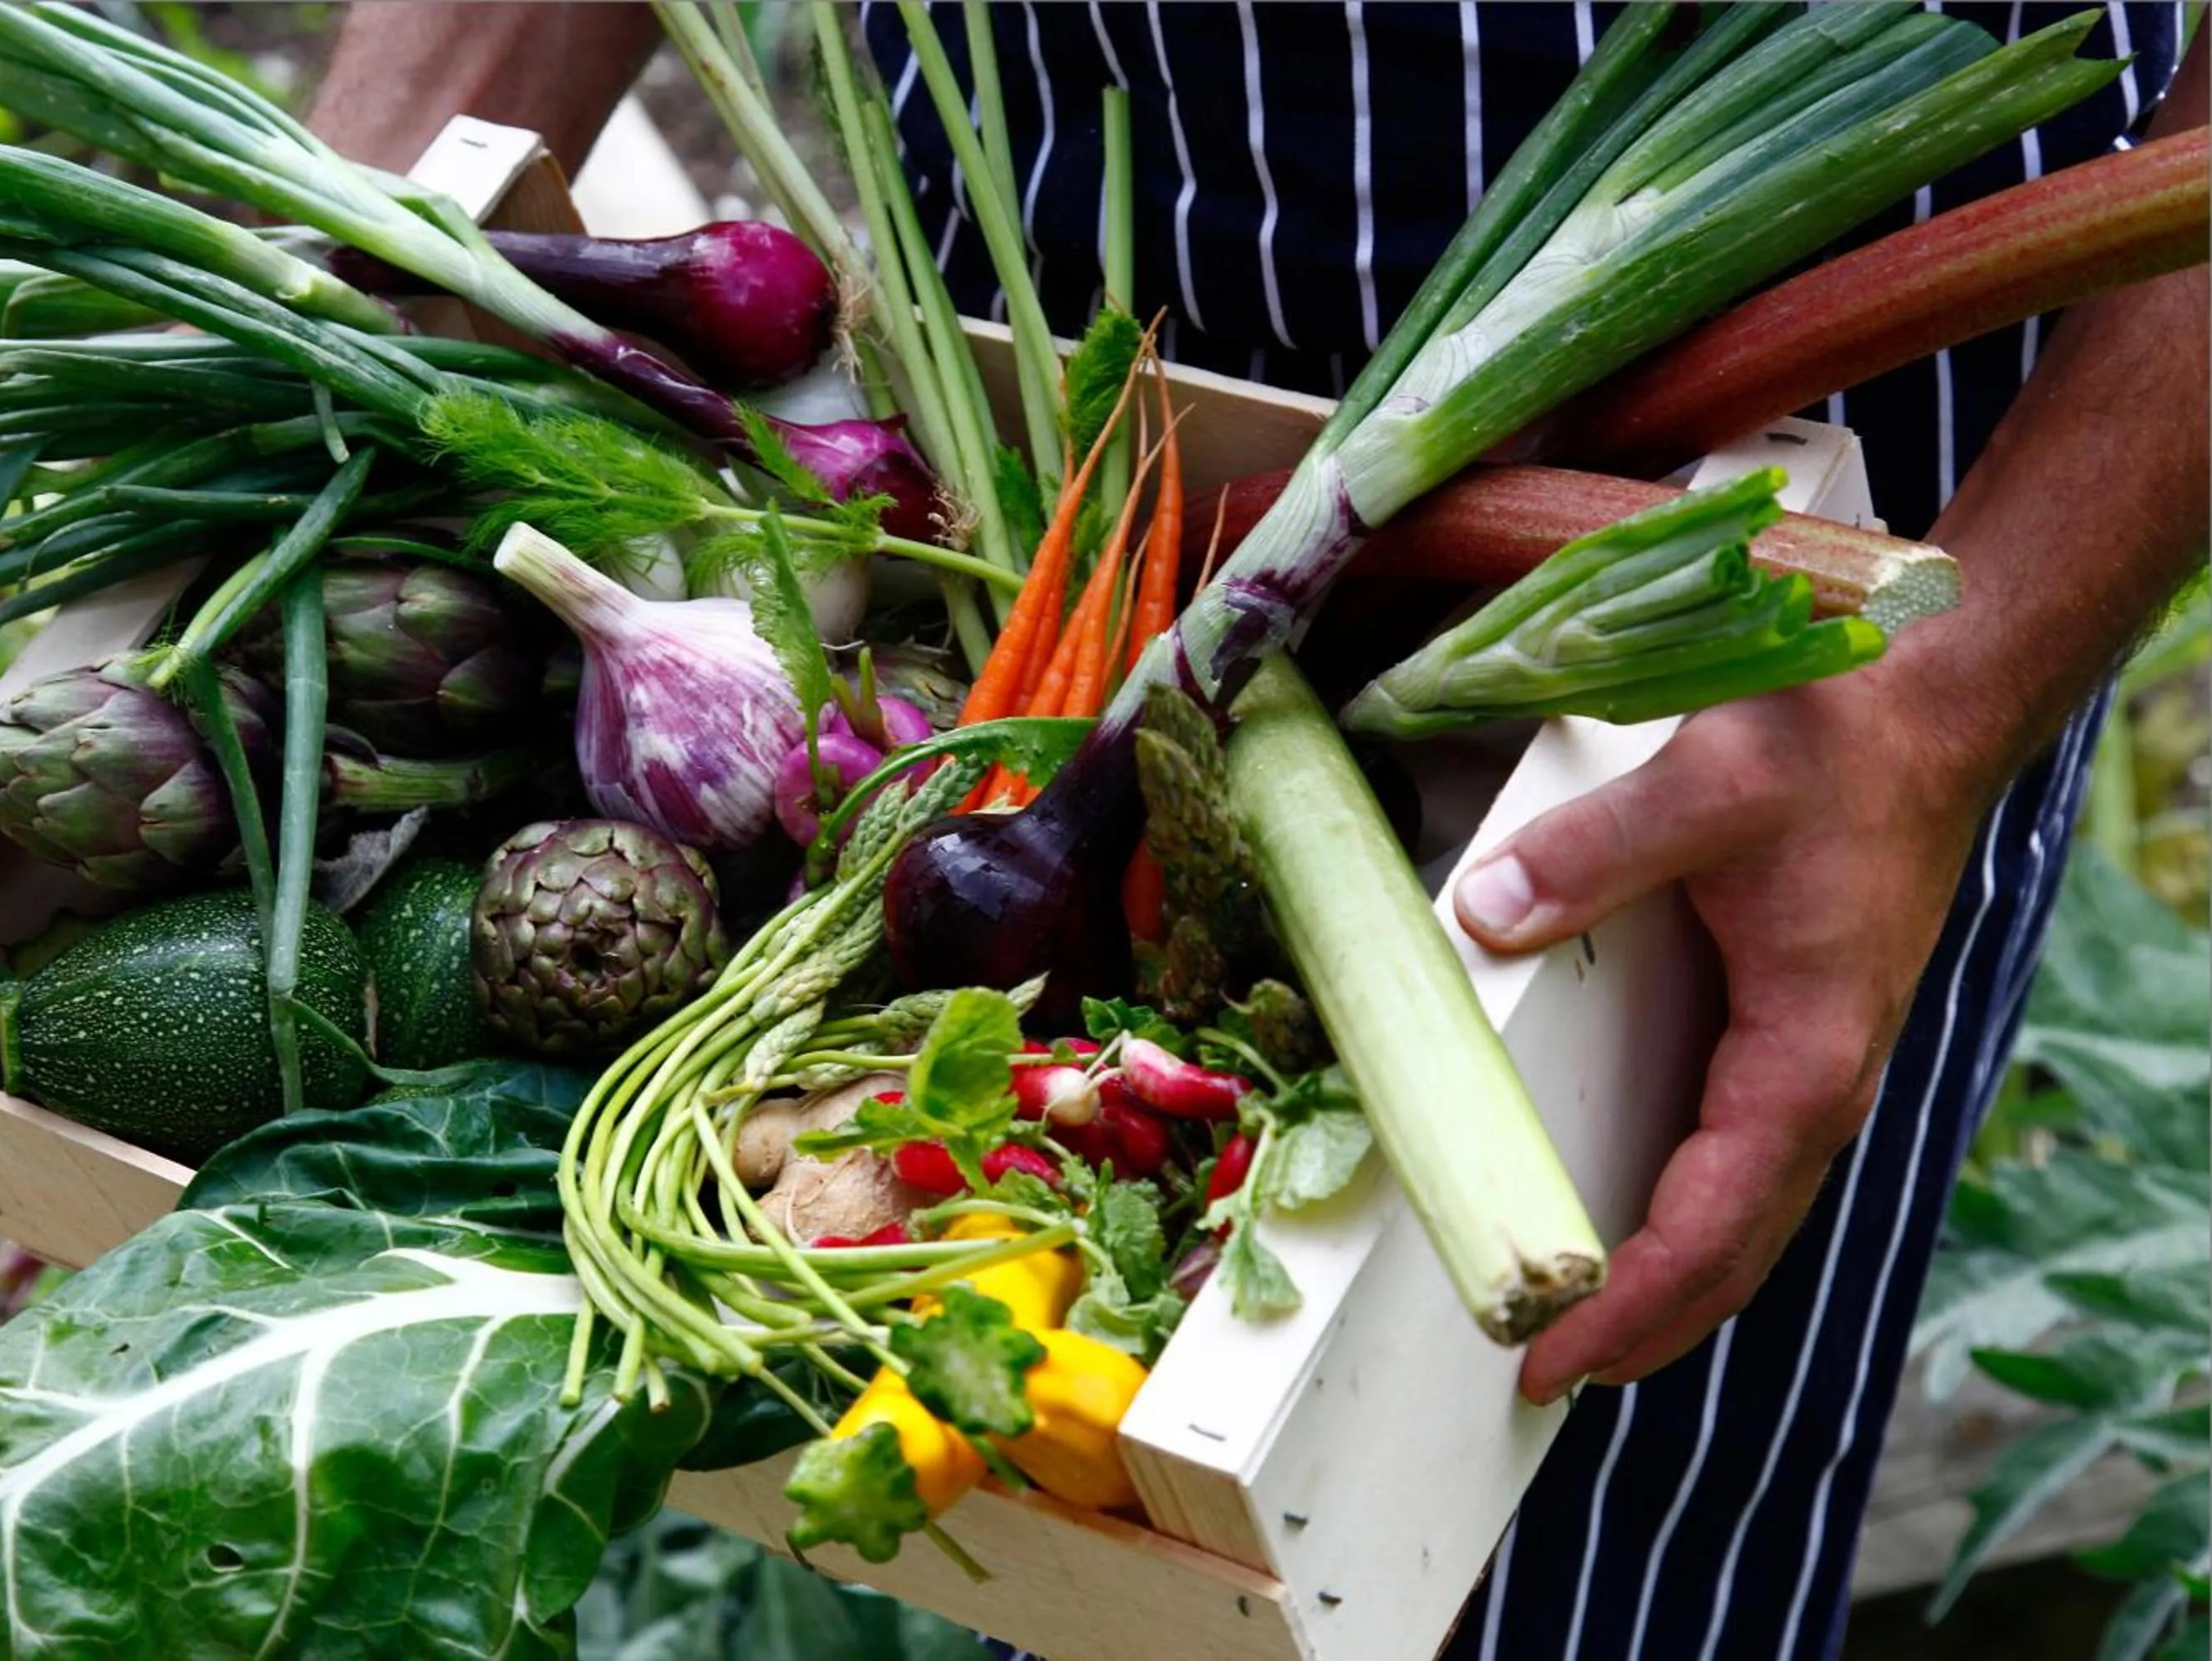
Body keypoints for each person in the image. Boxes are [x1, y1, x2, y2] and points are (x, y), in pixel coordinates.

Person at [309, 5, 2205, 1656]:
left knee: (1522, 1552)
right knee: (1095, 1529)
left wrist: (1941, 707)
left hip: (1779, 515)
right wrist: (362, 227)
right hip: (1042, 353)